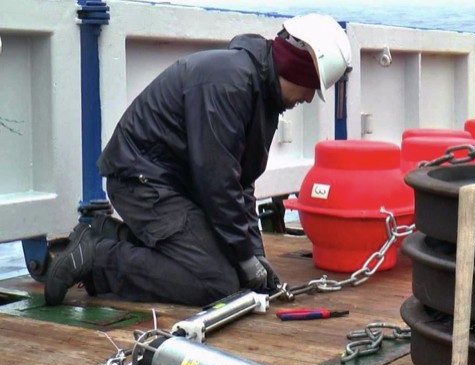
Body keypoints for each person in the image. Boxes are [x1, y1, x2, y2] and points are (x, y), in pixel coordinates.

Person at [44, 14, 352, 306]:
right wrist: (245, 258)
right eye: (312, 87)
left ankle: (105, 234)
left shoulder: (262, 94)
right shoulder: (230, 82)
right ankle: (97, 259)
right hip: (141, 180)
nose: (310, 98)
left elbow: (240, 183)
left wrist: (255, 256)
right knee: (216, 282)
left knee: (236, 271)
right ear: (297, 68)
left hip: (174, 185)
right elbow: (217, 182)